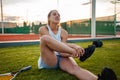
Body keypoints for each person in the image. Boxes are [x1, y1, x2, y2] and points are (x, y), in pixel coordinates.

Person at [38, 10, 117, 80]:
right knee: (44, 38)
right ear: (49, 18)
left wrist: (77, 46)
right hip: (50, 59)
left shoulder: (64, 32)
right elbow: (54, 45)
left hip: (62, 55)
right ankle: (78, 54)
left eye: (58, 15)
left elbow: (62, 47)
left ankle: (98, 79)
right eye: (54, 14)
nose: (57, 15)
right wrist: (74, 48)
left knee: (75, 69)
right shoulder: (43, 29)